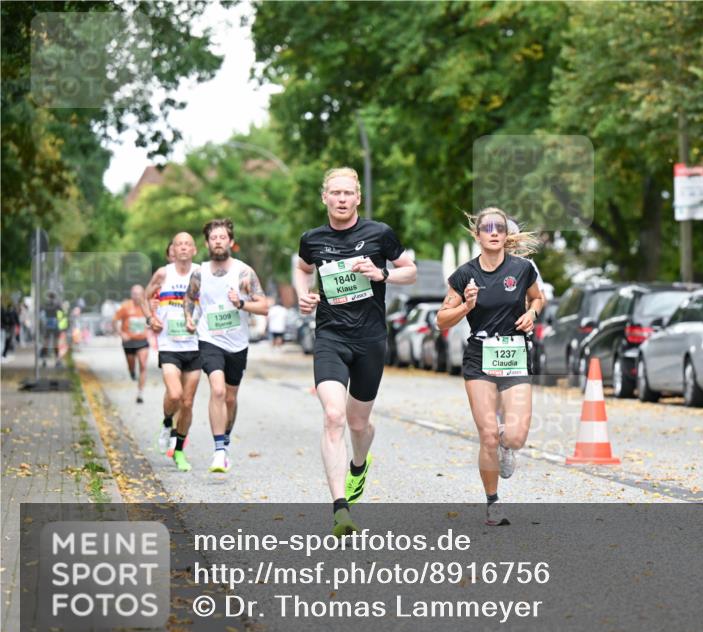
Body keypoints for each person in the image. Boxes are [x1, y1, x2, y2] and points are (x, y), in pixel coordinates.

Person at [295, 167, 416, 537]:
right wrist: (303, 293)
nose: (342, 199)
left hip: (370, 339)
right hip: (331, 336)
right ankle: (339, 509)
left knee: (358, 423)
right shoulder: (312, 239)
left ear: (358, 198)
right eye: (335, 193)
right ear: (325, 198)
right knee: (334, 416)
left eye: (348, 193)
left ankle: (359, 466)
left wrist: (383, 275)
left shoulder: (379, 234)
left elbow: (409, 271)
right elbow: (302, 268)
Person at [436, 207, 545, 526]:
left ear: (506, 234)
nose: (494, 232)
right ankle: (493, 503)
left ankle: (506, 443)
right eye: (488, 227)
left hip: (514, 354)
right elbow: (441, 318)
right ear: (478, 234)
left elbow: (538, 298)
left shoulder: (523, 269)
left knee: (516, 435)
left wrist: (532, 314)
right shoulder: (464, 274)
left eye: (500, 227)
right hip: (480, 356)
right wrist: (467, 306)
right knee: (486, 436)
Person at [184, 219, 268, 473]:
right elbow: (190, 299)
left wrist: (241, 304)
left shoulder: (244, 272)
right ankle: (219, 451)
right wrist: (190, 318)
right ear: (207, 243)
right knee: (218, 391)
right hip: (209, 339)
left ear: (231, 242)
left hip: (238, 343)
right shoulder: (199, 273)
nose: (218, 241)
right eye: (213, 238)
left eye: (222, 237)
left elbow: (263, 307)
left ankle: (226, 440)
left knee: (230, 397)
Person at [143, 232, 201, 472]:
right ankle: (167, 422)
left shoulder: (201, 273)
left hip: (196, 344)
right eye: (179, 244)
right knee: (175, 395)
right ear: (173, 250)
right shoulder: (163, 273)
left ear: (195, 250)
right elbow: (145, 298)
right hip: (169, 344)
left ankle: (178, 451)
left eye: (188, 244)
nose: (184, 248)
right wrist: (150, 317)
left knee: (187, 403)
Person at [114, 285, 151, 403]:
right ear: (131, 295)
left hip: (142, 340)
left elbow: (152, 319)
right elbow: (115, 321)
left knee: (143, 364)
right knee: (131, 363)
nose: (137, 296)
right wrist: (121, 333)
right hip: (129, 341)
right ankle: (131, 371)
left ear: (143, 294)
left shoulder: (146, 306)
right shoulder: (125, 306)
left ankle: (140, 393)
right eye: (134, 294)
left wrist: (150, 325)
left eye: (139, 294)